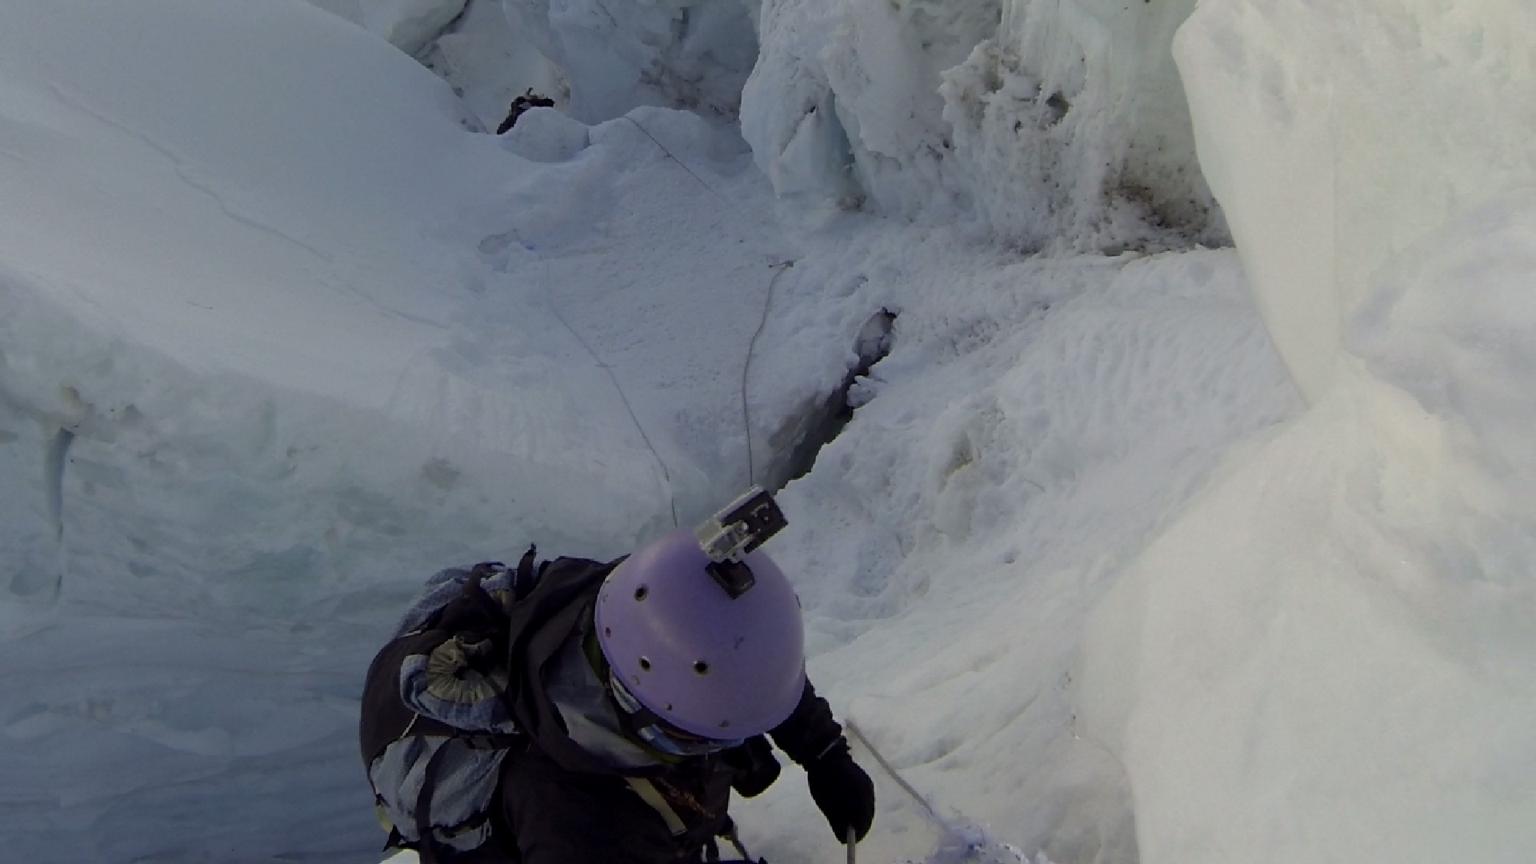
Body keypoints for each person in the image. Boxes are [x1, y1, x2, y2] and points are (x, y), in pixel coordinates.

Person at [360, 488, 875, 863]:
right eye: (706, 737)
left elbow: (745, 664)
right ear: (653, 719)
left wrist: (824, 753)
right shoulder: (580, 822)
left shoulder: (627, 604)